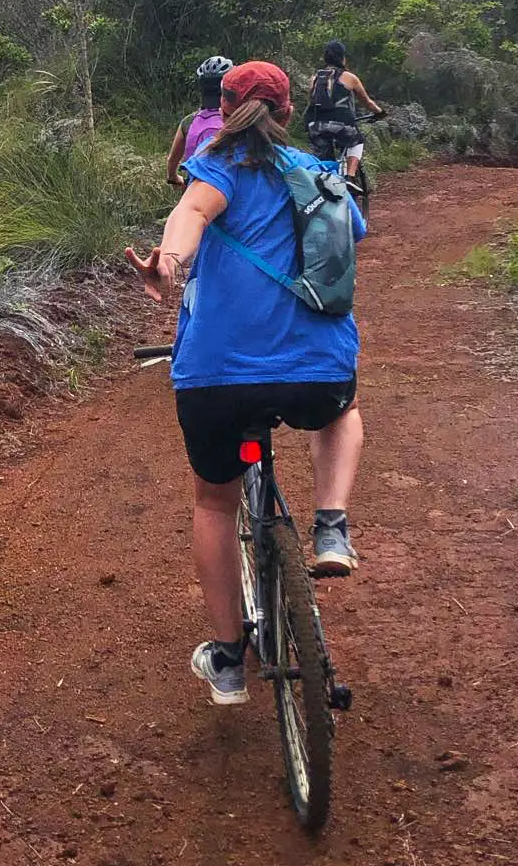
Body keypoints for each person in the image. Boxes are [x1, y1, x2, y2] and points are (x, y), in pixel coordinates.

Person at [125, 61, 367, 707]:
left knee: (214, 502)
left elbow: (192, 215)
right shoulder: (322, 177)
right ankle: (332, 525)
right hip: (316, 370)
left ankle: (229, 659)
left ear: (223, 109)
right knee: (341, 413)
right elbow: (347, 247)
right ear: (288, 112)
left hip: (217, 376)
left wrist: (168, 265)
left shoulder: (214, 168)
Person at [304, 40, 382, 178]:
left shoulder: (315, 78)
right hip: (341, 125)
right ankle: (350, 177)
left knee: (324, 160)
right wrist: (380, 112)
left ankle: (324, 182)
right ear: (342, 57)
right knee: (356, 142)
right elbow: (367, 103)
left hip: (315, 125)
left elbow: (312, 100)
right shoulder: (349, 77)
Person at [165, 55, 235, 187]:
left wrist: (173, 177)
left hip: (193, 196)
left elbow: (172, 161)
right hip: (227, 194)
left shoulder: (189, 121)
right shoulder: (238, 121)